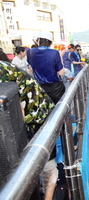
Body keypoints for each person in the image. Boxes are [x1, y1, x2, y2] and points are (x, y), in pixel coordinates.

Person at [0, 61, 57, 200]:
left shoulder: (2, 71)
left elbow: (16, 106)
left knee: (45, 163)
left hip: (38, 115)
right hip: (30, 116)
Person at [26, 31, 65, 104]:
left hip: (39, 87)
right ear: (50, 42)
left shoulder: (30, 52)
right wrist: (60, 57)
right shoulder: (54, 52)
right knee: (58, 109)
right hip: (55, 88)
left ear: (39, 40)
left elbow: (30, 66)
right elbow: (61, 73)